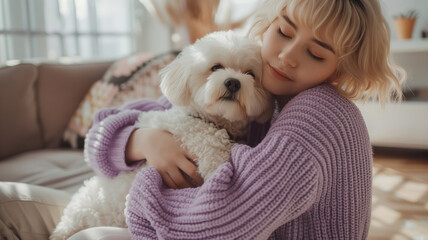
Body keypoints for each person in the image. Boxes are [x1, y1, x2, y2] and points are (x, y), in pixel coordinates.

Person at [0, 0, 405, 239]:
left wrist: (141, 185)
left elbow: (222, 223)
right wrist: (143, 141)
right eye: (284, 31)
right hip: (157, 214)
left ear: (339, 70)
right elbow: (101, 132)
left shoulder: (319, 115)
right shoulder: (264, 90)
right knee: (7, 202)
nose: (287, 55)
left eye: (316, 53)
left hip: (187, 227)